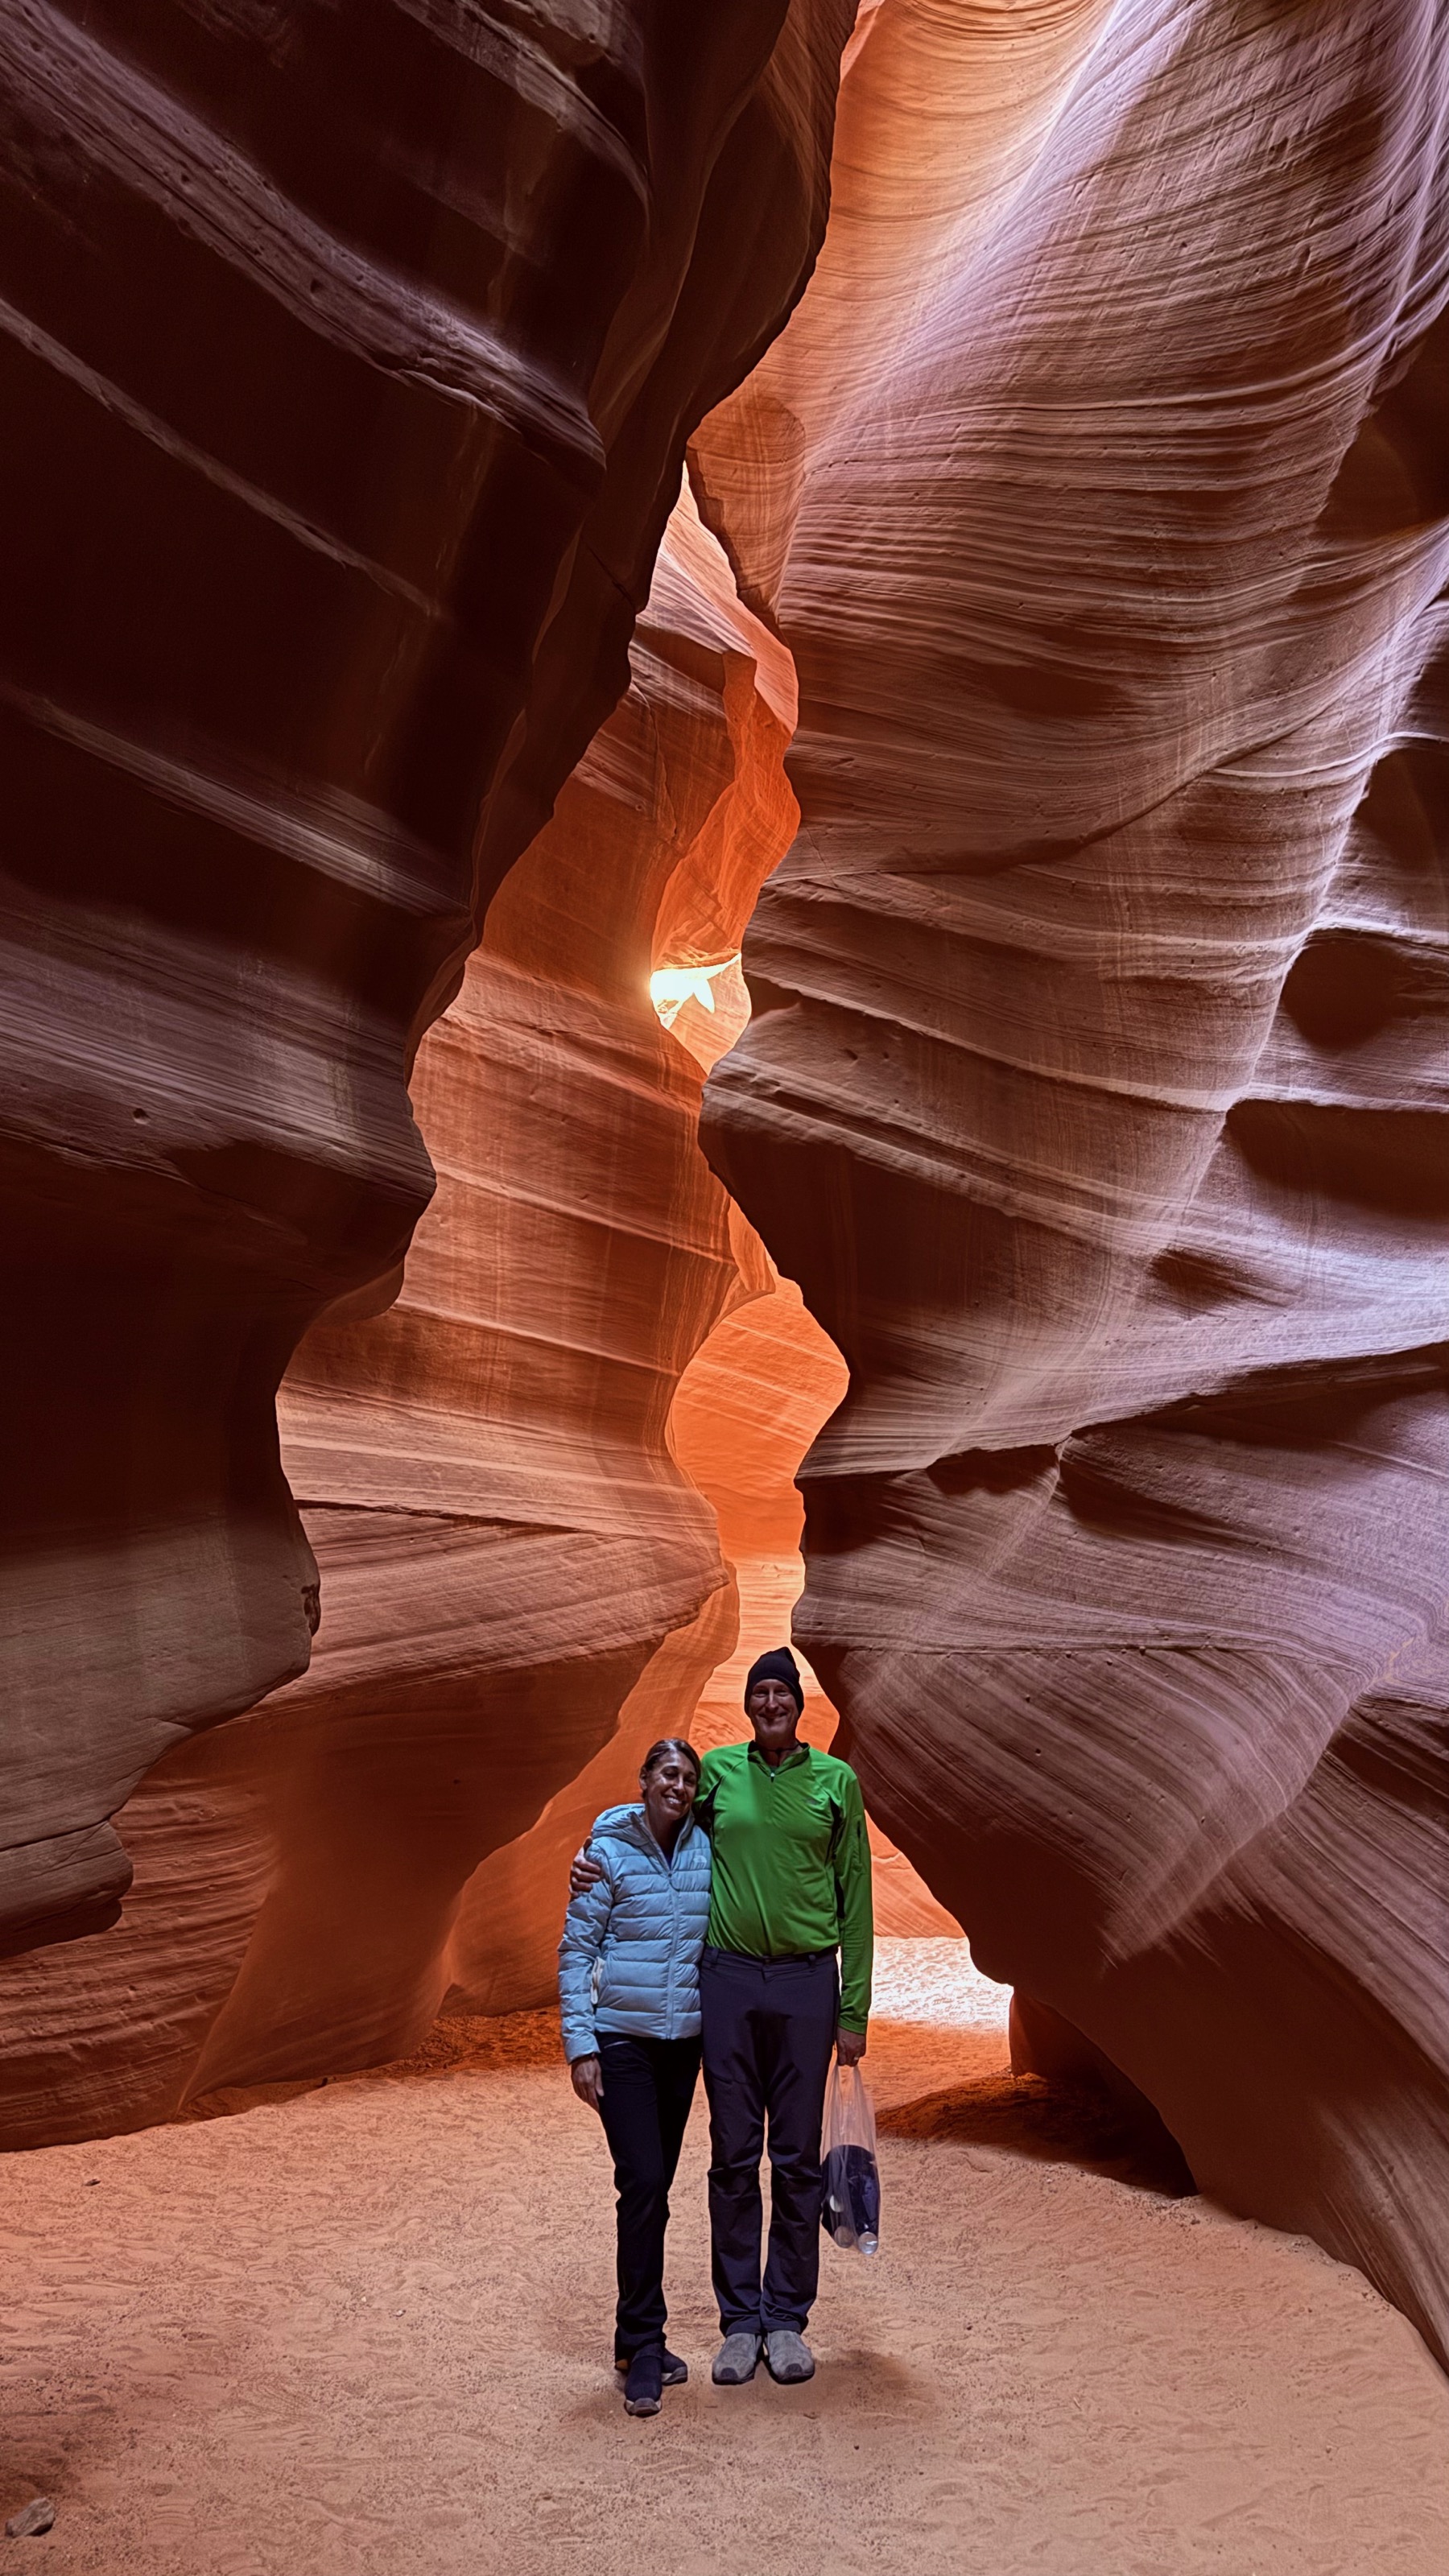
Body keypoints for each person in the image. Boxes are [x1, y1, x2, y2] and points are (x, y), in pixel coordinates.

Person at [571, 1646, 873, 2391]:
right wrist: (597, 1844)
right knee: (734, 2154)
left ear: (799, 1704)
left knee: (797, 2158)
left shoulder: (836, 1784)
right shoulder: (722, 1777)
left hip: (807, 1981)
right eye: (760, 1693)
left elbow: (857, 1899)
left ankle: (786, 2318)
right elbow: (655, 1808)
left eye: (782, 1693)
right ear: (749, 1704)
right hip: (729, 1984)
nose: (771, 1704)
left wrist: (853, 2006)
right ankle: (740, 2320)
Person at [558, 1738, 711, 2419]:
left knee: (652, 2188)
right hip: (623, 2042)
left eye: (687, 1778)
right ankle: (645, 2347)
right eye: (667, 1775)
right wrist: (580, 2046)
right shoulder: (608, 1855)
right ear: (645, 1781)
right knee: (644, 2181)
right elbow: (576, 1951)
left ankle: (633, 2338)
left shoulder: (710, 1847)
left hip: (684, 2046)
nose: (677, 1786)